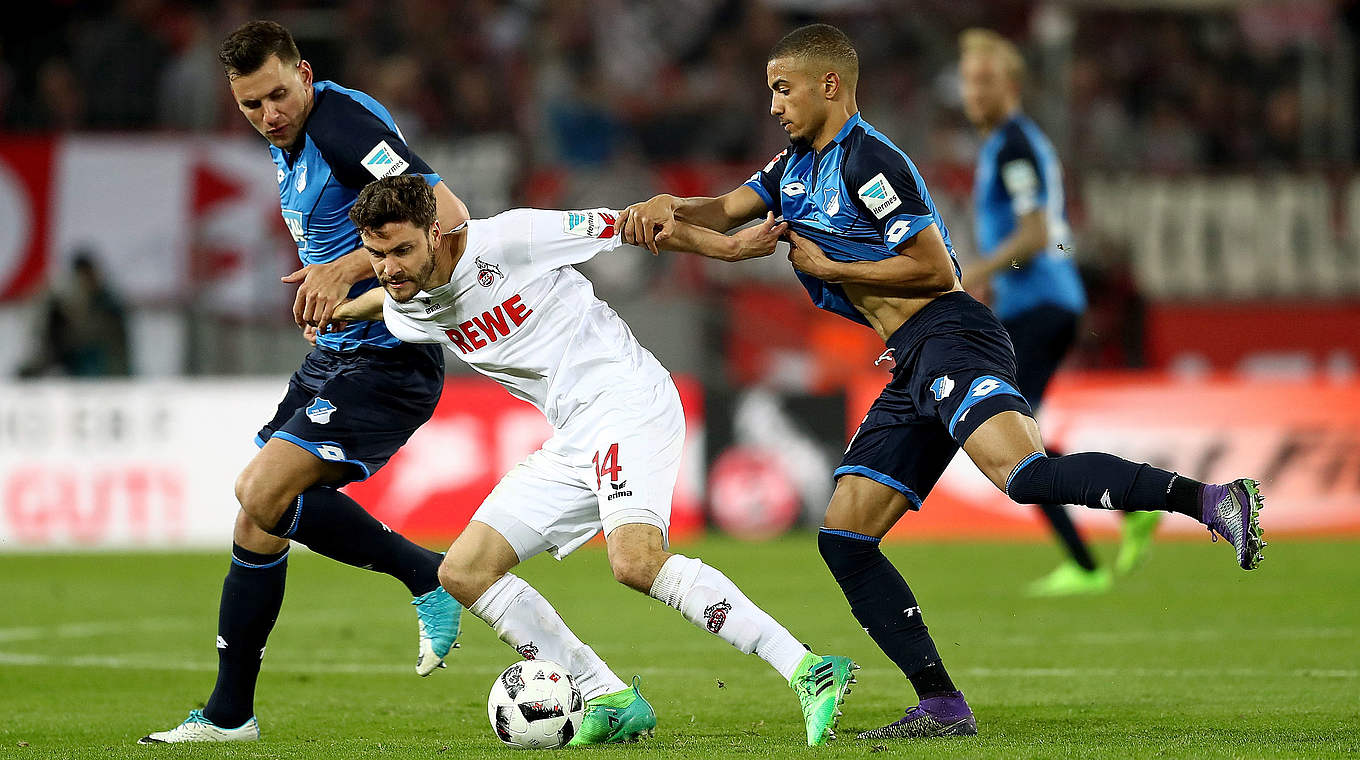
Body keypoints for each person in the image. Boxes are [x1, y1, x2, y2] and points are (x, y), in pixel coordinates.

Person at [618, 23, 1265, 740]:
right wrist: (666, 209)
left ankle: (1210, 500)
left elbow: (936, 268)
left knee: (1023, 475)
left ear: (828, 84)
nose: (773, 105)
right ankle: (942, 704)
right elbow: (725, 212)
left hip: (952, 333)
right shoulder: (792, 166)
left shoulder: (870, 161)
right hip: (909, 361)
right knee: (845, 535)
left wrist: (832, 267)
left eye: (783, 89)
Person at [326, 175, 856, 747]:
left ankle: (806, 668)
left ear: (437, 232)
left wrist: (727, 248)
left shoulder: (510, 239)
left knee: (636, 562)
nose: (389, 268)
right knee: (463, 571)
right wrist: (343, 310)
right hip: (574, 435)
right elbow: (388, 302)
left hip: (627, 400)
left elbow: (634, 224)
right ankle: (608, 697)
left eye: (402, 250)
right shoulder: (408, 307)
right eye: (377, 255)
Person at [140, 21, 471, 744]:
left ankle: (427, 574)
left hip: (390, 357)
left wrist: (344, 271)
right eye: (251, 104)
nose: (269, 115)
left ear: (306, 74)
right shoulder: (291, 138)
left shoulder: (341, 125)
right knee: (255, 525)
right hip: (339, 353)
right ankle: (230, 716)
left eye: (278, 95)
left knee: (261, 492)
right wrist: (333, 294)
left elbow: (447, 218)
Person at [958, 29, 1161, 596]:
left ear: (1012, 85)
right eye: (968, 82)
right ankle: (1124, 511)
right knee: (1017, 435)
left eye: (985, 81)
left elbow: (1033, 237)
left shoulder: (1015, 146)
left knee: (1010, 438)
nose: (974, 93)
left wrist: (975, 274)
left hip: (1041, 305)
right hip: (1038, 304)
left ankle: (1099, 547)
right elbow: (1051, 235)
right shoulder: (1010, 145)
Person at [18, 250, 130, 378]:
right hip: (79, 367)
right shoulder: (73, 301)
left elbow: (91, 336)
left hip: (106, 370)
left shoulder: (107, 303)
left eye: (85, 275)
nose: (83, 280)